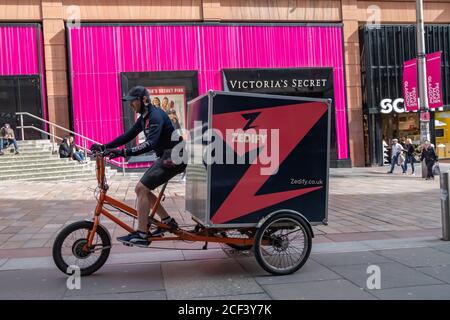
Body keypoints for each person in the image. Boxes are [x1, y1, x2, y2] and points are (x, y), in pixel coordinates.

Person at [90, 86, 186, 247]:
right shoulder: (144, 118)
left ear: (143, 100)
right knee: (143, 189)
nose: (130, 105)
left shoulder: (156, 116)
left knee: (141, 189)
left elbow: (150, 144)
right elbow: (128, 136)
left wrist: (123, 153)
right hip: (167, 156)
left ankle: (142, 233)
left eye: (132, 101)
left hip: (174, 157)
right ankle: (168, 222)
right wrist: (104, 147)